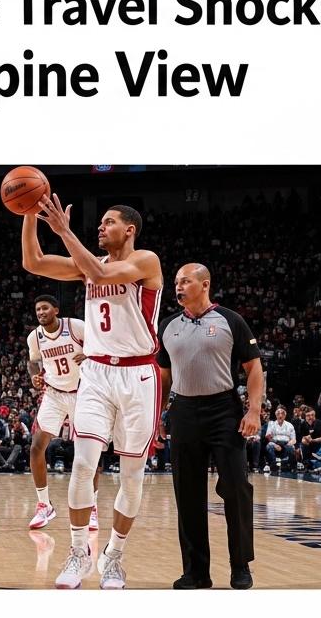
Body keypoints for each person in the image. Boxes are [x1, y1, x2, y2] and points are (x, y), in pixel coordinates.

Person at [21, 196, 163, 590]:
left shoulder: (146, 261)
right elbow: (33, 262)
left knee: (131, 477)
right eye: (99, 223)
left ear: (129, 230)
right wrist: (29, 213)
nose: (100, 227)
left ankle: (114, 556)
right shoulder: (89, 265)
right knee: (83, 465)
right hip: (96, 374)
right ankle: (79, 552)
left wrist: (64, 231)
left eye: (108, 222)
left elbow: (102, 276)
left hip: (139, 376)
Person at [158, 263, 265, 591]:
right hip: (183, 411)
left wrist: (254, 411)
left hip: (224, 411)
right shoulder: (167, 325)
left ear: (204, 284)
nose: (178, 286)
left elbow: (254, 368)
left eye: (185, 281)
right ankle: (196, 572)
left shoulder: (231, 320)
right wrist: (159, 415)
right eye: (176, 282)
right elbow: (164, 376)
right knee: (187, 494)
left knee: (236, 488)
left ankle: (240, 565)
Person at [23, 295, 99, 530]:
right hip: (54, 393)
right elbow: (33, 361)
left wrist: (88, 354)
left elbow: (101, 345)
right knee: (36, 447)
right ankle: (44, 506)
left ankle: (92, 508)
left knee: (87, 454)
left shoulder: (76, 326)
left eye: (45, 308)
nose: (41, 312)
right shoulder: (35, 336)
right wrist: (34, 374)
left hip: (81, 392)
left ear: (56, 309)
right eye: (37, 309)